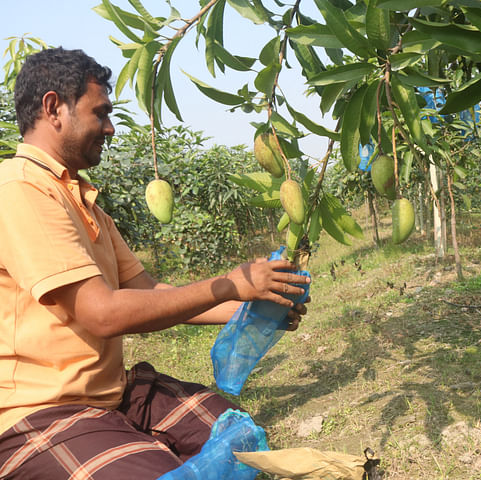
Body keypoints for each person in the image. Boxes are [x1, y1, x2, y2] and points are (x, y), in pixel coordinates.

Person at [0, 47, 311, 479]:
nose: (110, 128)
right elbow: (102, 313)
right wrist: (231, 284)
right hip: (39, 414)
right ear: (53, 108)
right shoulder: (19, 190)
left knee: (237, 441)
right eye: (100, 113)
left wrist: (257, 299)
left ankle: (128, 436)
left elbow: (149, 293)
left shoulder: (86, 204)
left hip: (112, 393)